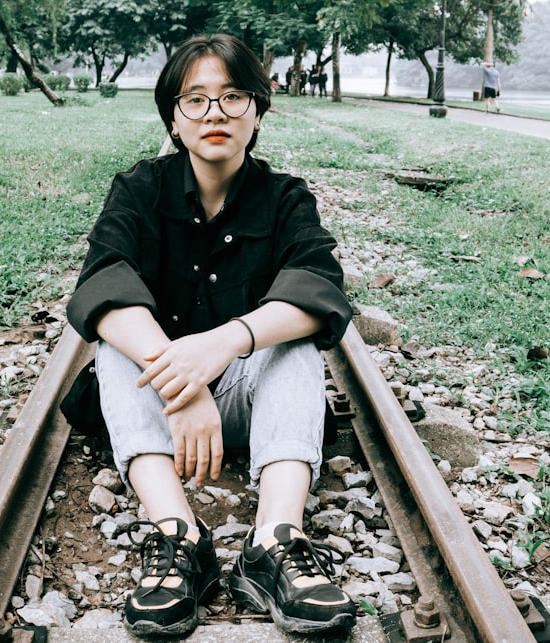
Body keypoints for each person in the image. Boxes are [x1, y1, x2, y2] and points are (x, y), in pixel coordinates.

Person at [66, 34, 357, 638]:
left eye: (232, 96)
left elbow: (320, 289)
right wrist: (183, 382)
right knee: (119, 344)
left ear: (258, 110)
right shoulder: (138, 189)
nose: (215, 113)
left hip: (255, 404)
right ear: (174, 117)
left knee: (293, 340)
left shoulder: (284, 197)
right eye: (195, 99)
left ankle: (276, 541)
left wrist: (223, 343)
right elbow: (99, 287)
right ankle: (180, 536)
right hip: (164, 408)